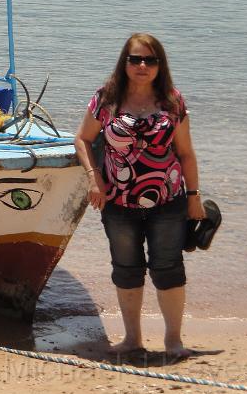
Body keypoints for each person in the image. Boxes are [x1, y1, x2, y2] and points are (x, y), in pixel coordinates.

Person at [74, 33, 206, 361]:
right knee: (126, 268)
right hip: (117, 203)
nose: (142, 66)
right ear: (125, 62)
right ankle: (132, 339)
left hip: (168, 201)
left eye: (150, 60)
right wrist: (94, 179)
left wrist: (194, 196)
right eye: (135, 59)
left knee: (168, 267)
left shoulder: (172, 102)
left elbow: (186, 154)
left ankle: (173, 341)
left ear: (160, 65)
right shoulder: (106, 99)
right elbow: (82, 140)